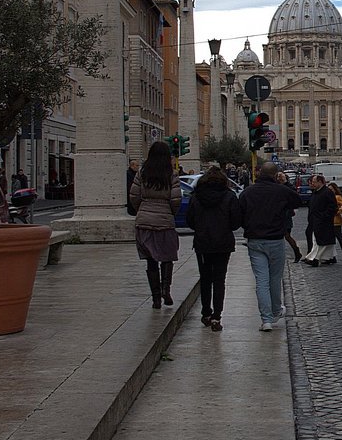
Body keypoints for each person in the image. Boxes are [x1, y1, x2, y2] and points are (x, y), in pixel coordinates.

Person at [237, 161, 303, 331]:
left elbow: (239, 215)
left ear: (258, 173)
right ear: (275, 175)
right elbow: (297, 201)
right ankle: (275, 311)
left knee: (261, 280)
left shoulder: (247, 192)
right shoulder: (281, 191)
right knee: (274, 279)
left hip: (255, 240)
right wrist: (283, 185)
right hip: (275, 239)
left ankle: (266, 320)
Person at [186, 167, 242, 331]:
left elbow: (190, 220)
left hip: (203, 242)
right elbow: (236, 222)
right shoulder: (229, 196)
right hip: (223, 243)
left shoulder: (196, 197)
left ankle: (206, 312)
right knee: (219, 280)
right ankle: (217, 316)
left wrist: (201, 228)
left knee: (205, 278)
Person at [129, 141, 182, 309]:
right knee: (167, 257)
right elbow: (175, 199)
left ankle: (156, 298)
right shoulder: (171, 174)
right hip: (165, 221)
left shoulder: (141, 173)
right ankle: (166, 289)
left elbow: (134, 196)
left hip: (144, 221)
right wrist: (169, 213)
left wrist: (142, 210)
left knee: (150, 260)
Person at [303, 175, 338, 266]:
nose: (312, 184)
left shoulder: (327, 192)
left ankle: (315, 258)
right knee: (320, 240)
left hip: (324, 221)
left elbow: (333, 207)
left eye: (314, 182)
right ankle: (329, 257)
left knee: (321, 241)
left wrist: (323, 216)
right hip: (315, 221)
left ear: (320, 182)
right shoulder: (316, 192)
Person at [275, 171, 303, 262]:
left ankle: (297, 252)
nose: (280, 177)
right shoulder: (275, 186)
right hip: (278, 215)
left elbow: (294, 196)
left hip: (286, 215)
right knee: (279, 236)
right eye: (278, 176)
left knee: (287, 235)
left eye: (281, 176)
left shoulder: (289, 187)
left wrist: (285, 182)